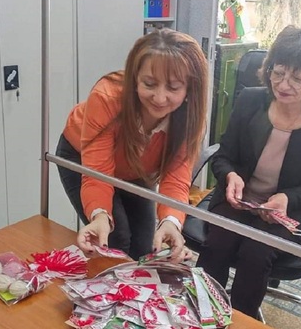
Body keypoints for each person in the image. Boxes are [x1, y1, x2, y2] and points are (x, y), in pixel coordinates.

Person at [196, 25, 301, 318]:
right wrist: (230, 177)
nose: (284, 84)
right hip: (238, 201)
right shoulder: (250, 101)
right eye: (278, 72)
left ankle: (243, 324)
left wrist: (286, 199)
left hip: (287, 212)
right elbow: (224, 156)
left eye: (297, 78)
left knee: (257, 251)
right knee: (218, 242)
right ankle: (201, 312)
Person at [56, 29, 208, 262]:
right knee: (115, 238)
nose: (159, 98)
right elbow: (97, 173)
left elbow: (176, 178)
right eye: (149, 83)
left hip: (137, 168)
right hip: (82, 156)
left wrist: (171, 222)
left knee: (144, 245)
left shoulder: (190, 119)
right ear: (135, 78)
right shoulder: (107, 97)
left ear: (189, 89)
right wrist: (99, 216)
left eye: (173, 88)